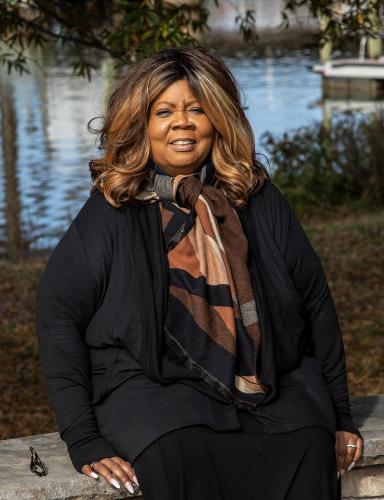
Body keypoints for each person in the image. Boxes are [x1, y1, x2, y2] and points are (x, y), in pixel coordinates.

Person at [36, 46, 364, 500]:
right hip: (150, 384)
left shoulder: (258, 199)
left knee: (308, 441)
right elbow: (58, 314)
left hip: (264, 377)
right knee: (177, 450)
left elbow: (315, 303)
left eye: (197, 109)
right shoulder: (114, 208)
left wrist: (342, 416)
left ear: (218, 119)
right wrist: (82, 436)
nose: (182, 123)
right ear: (140, 125)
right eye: (164, 111)